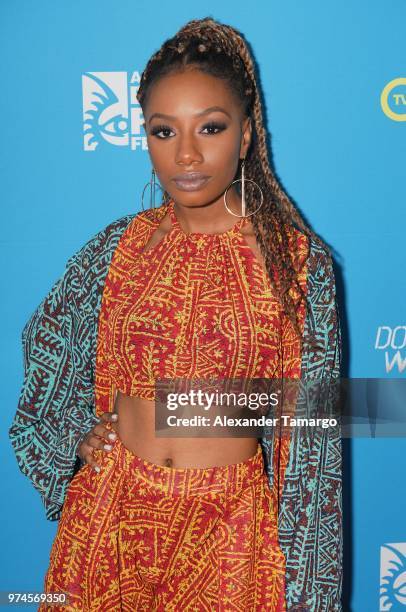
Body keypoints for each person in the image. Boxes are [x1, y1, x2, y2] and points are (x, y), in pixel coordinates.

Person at [9, 16, 342, 612]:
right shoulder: (118, 248)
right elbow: (49, 342)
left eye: (210, 128)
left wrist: (306, 588)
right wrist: (74, 440)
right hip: (111, 516)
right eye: (164, 131)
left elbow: (314, 445)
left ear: (245, 135)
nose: (186, 154)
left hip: (228, 534)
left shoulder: (298, 265)